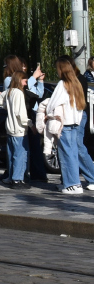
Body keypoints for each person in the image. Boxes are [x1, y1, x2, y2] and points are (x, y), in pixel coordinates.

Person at [44, 55, 94, 194]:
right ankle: (73, 183)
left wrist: (48, 112)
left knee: (66, 154)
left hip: (64, 123)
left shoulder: (62, 84)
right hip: (75, 122)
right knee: (72, 152)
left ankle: (71, 184)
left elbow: (52, 104)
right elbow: (81, 105)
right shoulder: (76, 83)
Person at [1, 56, 31, 188]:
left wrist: (7, 107)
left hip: (10, 128)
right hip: (19, 129)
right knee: (20, 154)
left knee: (12, 154)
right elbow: (21, 114)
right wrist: (30, 124)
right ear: (20, 80)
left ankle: (11, 177)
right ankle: (17, 179)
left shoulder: (9, 92)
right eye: (25, 81)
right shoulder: (18, 93)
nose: (26, 84)